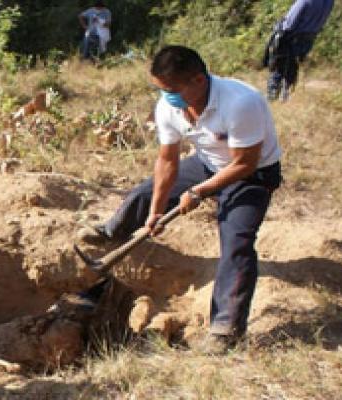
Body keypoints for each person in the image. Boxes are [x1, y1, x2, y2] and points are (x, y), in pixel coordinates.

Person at [78, 46, 283, 354]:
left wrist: (199, 192)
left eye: (171, 90)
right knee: (142, 196)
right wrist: (156, 212)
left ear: (198, 80)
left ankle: (226, 331)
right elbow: (168, 162)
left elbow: (245, 163)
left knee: (237, 241)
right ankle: (112, 236)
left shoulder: (242, 103)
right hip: (206, 163)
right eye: (161, 90)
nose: (166, 97)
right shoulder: (168, 106)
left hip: (252, 175)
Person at [264, 0, 334, 101]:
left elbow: (289, 23)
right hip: (309, 38)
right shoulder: (329, 2)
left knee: (278, 66)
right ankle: (285, 94)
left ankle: (272, 96)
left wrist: (278, 30)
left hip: (292, 37)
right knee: (292, 66)